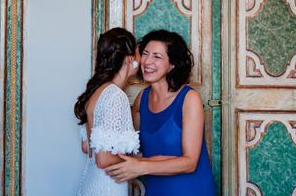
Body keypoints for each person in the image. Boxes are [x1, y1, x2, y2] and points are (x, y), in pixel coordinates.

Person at [105, 30, 215, 195]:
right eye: (145, 54)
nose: (147, 61)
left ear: (172, 64)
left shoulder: (189, 98)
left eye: (157, 56)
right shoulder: (142, 98)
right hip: (156, 189)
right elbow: (136, 149)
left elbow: (190, 162)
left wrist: (141, 166)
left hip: (191, 189)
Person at [74, 27, 141, 196]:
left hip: (91, 182)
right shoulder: (115, 96)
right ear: (130, 58)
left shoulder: (96, 92)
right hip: (108, 186)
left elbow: (86, 147)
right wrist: (140, 161)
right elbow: (103, 159)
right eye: (140, 52)